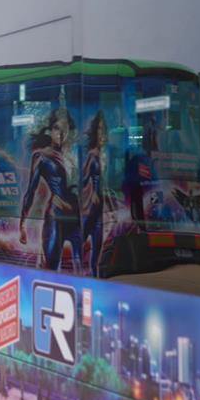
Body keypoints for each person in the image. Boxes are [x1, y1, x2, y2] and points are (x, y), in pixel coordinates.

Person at [19, 108, 81, 272]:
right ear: (50, 130)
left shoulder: (74, 156)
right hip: (56, 217)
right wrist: (23, 224)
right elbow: (30, 191)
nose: (61, 133)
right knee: (51, 269)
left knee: (82, 270)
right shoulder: (42, 156)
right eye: (57, 129)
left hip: (77, 218)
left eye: (65, 129)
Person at [81, 111, 107, 277]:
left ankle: (94, 277)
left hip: (102, 207)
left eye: (104, 129)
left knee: (98, 246)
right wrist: (91, 194)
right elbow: (82, 180)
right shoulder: (92, 155)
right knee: (83, 239)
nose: (102, 133)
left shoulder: (106, 154)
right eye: (99, 129)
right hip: (92, 207)